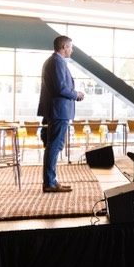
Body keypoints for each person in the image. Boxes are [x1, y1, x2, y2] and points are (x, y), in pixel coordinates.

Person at [36, 34, 84, 193]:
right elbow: (61, 88)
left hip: (56, 110)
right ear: (64, 47)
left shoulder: (53, 61)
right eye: (70, 46)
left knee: (54, 146)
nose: (72, 49)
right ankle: (49, 183)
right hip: (59, 111)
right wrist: (76, 94)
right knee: (54, 147)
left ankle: (52, 180)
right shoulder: (57, 62)